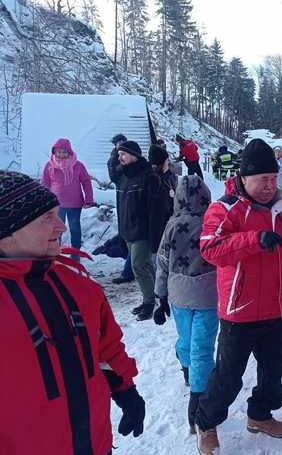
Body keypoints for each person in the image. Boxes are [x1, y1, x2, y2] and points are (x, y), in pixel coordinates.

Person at [0, 171, 145, 455]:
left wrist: (125, 389)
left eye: (57, 215)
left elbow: (105, 348)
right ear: (7, 232)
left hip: (95, 444)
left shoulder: (78, 284)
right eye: (46, 219)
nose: (61, 227)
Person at [195, 139, 282, 454]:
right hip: (240, 312)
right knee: (229, 378)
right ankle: (206, 422)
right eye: (262, 179)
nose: (269, 185)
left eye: (273, 178)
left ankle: (260, 415)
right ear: (244, 178)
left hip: (277, 306)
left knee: (272, 373)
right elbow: (210, 248)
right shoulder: (224, 208)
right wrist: (254, 239)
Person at [154, 175, 219, 435]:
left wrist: (160, 298)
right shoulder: (213, 223)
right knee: (202, 346)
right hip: (208, 294)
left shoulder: (172, 224)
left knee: (186, 338)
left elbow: (161, 262)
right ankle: (198, 397)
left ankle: (186, 368)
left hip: (178, 292)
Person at [112, 141, 166, 321]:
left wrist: (154, 236)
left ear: (134, 155)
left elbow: (155, 209)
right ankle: (157, 296)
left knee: (138, 266)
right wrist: (121, 231)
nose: (120, 158)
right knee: (147, 266)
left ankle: (149, 302)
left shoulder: (148, 176)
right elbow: (121, 206)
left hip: (142, 231)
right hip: (127, 229)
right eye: (119, 155)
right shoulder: (123, 177)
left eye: (123, 154)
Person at [41, 138, 94, 261]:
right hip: (56, 205)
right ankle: (55, 254)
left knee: (75, 228)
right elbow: (44, 184)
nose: (61, 154)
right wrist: (43, 202)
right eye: (58, 152)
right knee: (56, 230)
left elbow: (86, 182)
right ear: (54, 152)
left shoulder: (78, 165)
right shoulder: (49, 165)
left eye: (64, 151)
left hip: (75, 204)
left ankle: (75, 254)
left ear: (69, 152)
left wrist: (89, 199)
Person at [108, 134, 135, 284]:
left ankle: (129, 270)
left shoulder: (132, 156)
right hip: (122, 200)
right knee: (126, 234)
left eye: (123, 142)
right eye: (118, 143)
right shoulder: (114, 158)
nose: (121, 145)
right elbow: (113, 175)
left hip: (133, 199)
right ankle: (129, 266)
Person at [149, 143, 178, 235]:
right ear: (160, 163)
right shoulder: (154, 181)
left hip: (169, 224)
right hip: (159, 229)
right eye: (166, 160)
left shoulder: (168, 176)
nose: (168, 163)